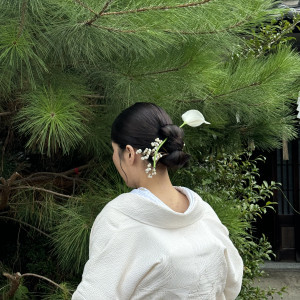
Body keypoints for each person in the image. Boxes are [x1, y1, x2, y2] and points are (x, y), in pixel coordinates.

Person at [72, 102, 243, 300]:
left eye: (114, 150)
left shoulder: (120, 219)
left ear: (129, 153)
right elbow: (232, 283)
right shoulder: (204, 215)